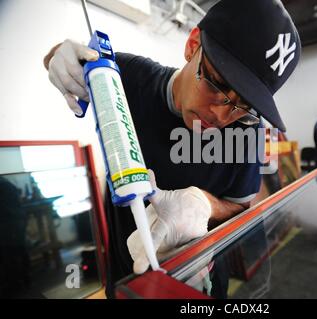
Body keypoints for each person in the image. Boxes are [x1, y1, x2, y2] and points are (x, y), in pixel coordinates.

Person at [43, 0, 301, 297]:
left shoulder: (248, 132)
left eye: (245, 105)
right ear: (192, 45)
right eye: (217, 85)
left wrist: (204, 205)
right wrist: (58, 57)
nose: (222, 115)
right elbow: (63, 59)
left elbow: (241, 207)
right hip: (129, 277)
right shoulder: (125, 78)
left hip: (199, 283)